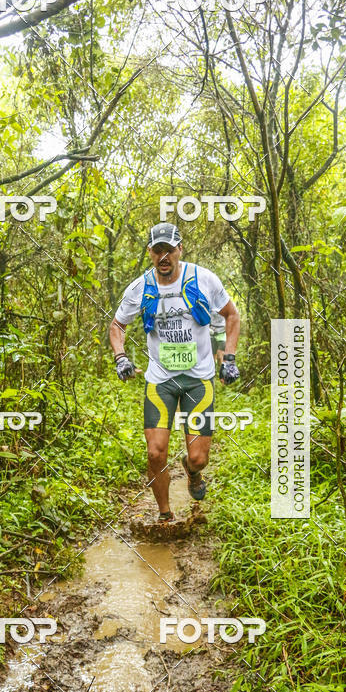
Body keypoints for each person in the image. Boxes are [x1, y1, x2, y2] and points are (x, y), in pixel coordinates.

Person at [109, 222, 240, 522]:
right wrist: (121, 358)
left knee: (199, 457)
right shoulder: (141, 287)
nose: (164, 257)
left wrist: (229, 358)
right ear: (150, 253)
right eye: (158, 251)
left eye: (170, 250)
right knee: (155, 453)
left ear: (180, 249)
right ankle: (165, 516)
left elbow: (231, 315)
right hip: (160, 381)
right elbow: (117, 325)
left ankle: (192, 472)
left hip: (198, 380)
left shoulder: (203, 279)